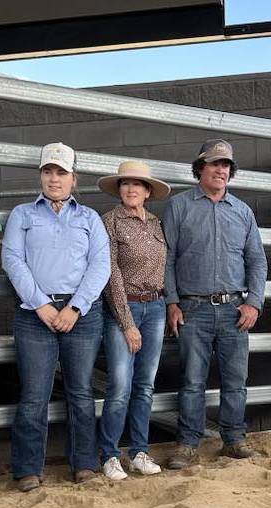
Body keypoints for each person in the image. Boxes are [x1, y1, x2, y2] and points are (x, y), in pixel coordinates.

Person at [2, 142, 110, 490]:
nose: (54, 178)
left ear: (73, 179)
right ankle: (28, 469)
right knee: (35, 393)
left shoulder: (89, 218)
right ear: (40, 175)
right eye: (48, 171)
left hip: (81, 315)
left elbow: (100, 265)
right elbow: (12, 261)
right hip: (36, 314)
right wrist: (42, 305)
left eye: (61, 172)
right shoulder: (23, 214)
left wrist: (75, 307)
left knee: (80, 391)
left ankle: (83, 464)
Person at [163, 139, 267, 469]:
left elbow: (257, 261)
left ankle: (234, 440)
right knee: (192, 381)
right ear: (200, 168)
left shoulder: (242, 211)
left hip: (235, 310)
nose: (222, 170)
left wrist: (254, 303)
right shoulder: (179, 207)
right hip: (192, 309)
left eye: (227, 166)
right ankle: (188, 444)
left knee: (236, 381)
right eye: (215, 164)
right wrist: (172, 302)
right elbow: (167, 258)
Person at [96, 161, 172, 480]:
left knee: (145, 385)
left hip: (154, 307)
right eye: (125, 184)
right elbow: (111, 274)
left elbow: (162, 267)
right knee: (119, 386)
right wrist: (127, 323)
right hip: (122, 307)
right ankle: (110, 454)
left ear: (147, 191)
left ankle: (139, 451)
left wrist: (165, 305)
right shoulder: (109, 222)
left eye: (137, 185)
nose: (130, 189)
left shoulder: (155, 223)